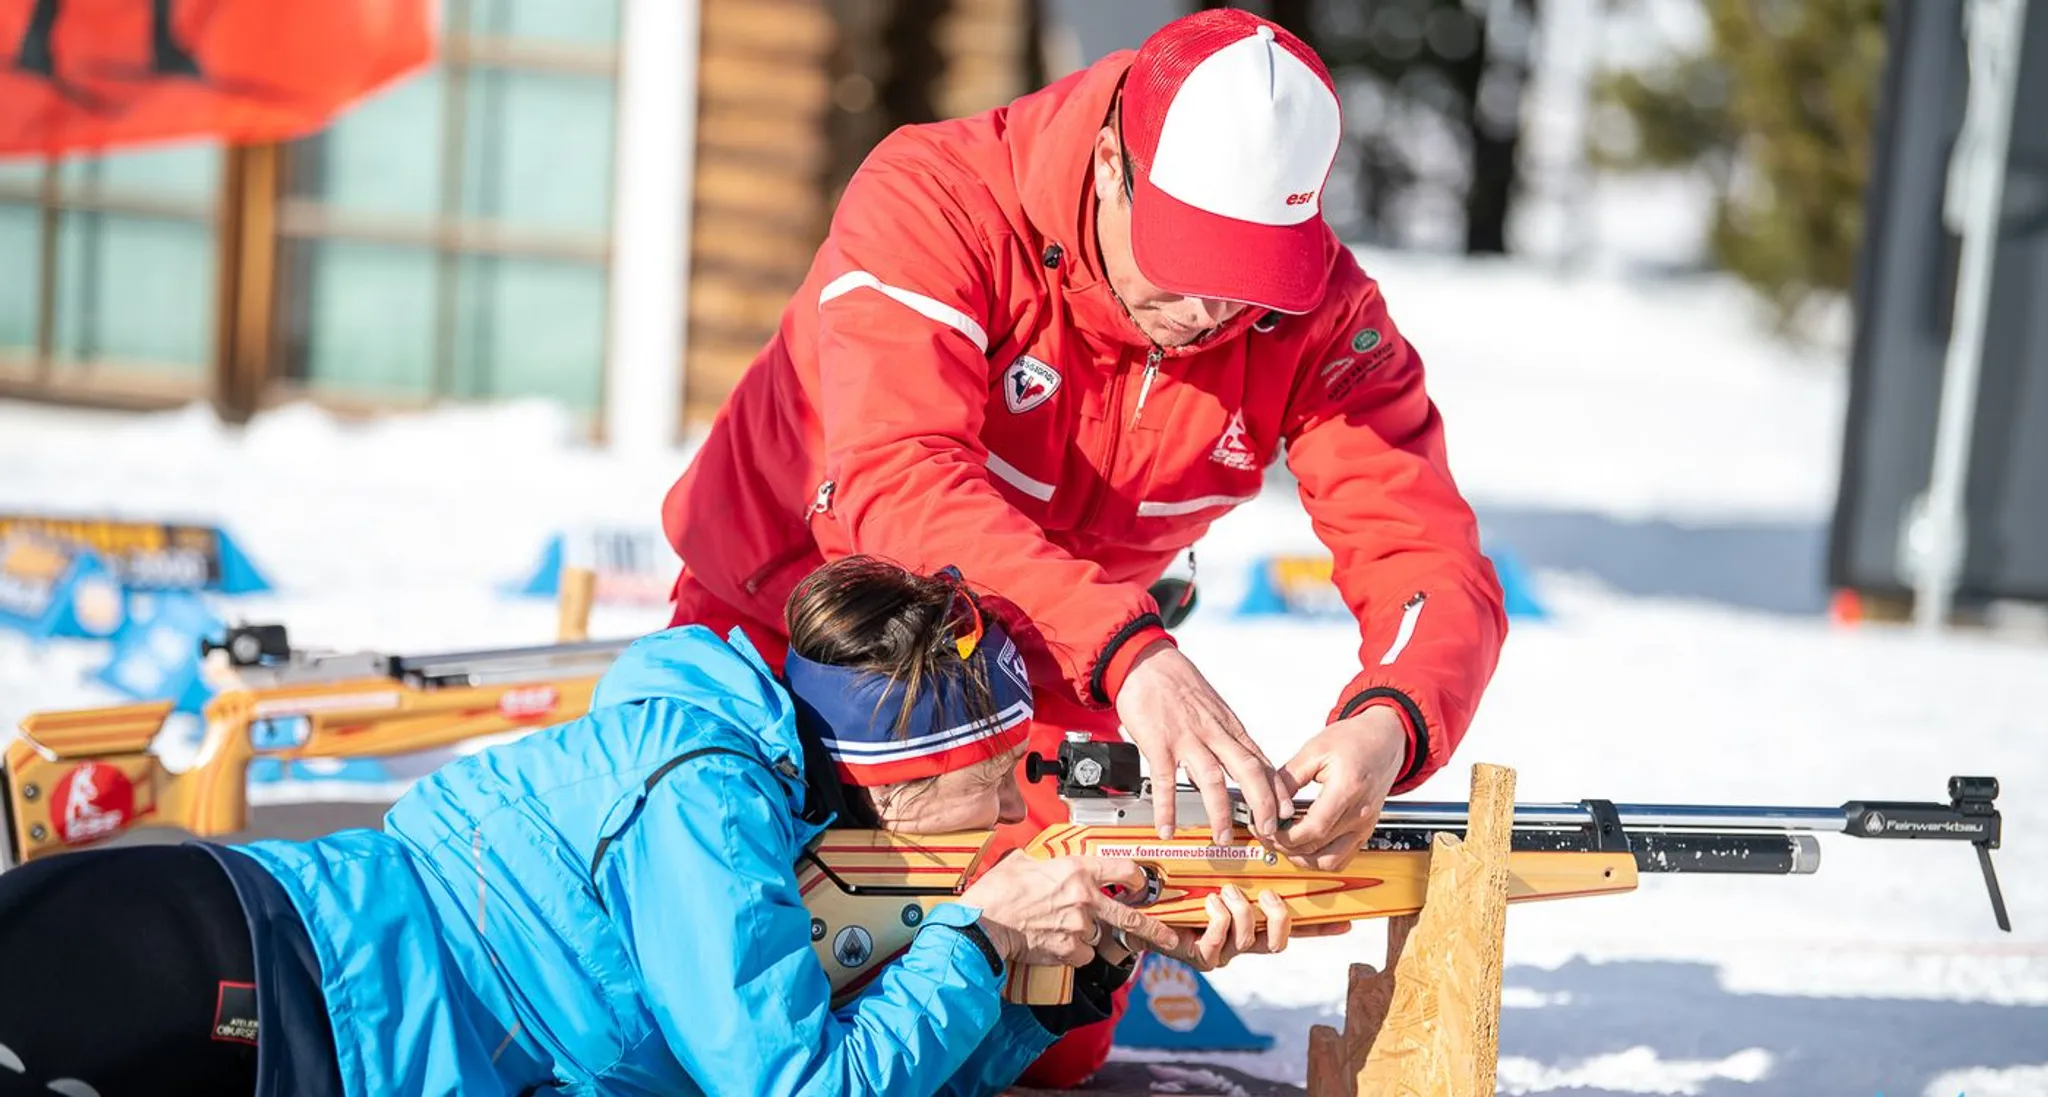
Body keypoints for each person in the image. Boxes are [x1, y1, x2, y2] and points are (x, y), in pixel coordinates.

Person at [661, 8, 1508, 1084]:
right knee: (722, 994)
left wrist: (1389, 721)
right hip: (787, 629)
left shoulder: (1323, 315)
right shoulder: (934, 197)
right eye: (1185, 260)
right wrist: (1133, 651)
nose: (1206, 310)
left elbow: (1423, 549)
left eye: (1247, 278)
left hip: (1040, 673)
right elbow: (895, 475)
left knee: (1052, 1023)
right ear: (1112, 164)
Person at [0, 557, 1310, 1097]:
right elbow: (798, 1088)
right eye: (990, 788)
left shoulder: (784, 813)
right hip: (252, 975)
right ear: (894, 785)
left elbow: (884, 1070)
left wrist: (1069, 968)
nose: (1014, 818)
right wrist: (976, 940)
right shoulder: (704, 791)